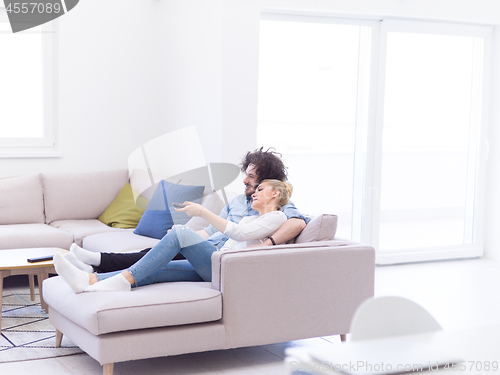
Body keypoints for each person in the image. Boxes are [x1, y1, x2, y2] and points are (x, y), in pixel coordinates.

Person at [63, 147, 309, 274]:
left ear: (269, 184)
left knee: (160, 256)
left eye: (252, 177)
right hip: (209, 246)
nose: (245, 180)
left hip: (220, 256)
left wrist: (268, 245)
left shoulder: (277, 206)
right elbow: (212, 229)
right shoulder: (236, 202)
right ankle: (96, 266)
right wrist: (186, 237)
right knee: (160, 250)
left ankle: (96, 264)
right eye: (246, 174)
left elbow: (298, 223)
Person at [53, 179, 293, 293]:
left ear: (275, 193)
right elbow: (230, 232)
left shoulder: (278, 218)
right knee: (156, 268)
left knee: (180, 232)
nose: (254, 193)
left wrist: (202, 212)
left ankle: (108, 277)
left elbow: (239, 234)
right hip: (217, 264)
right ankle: (90, 281)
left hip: (229, 270)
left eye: (261, 189)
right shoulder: (251, 218)